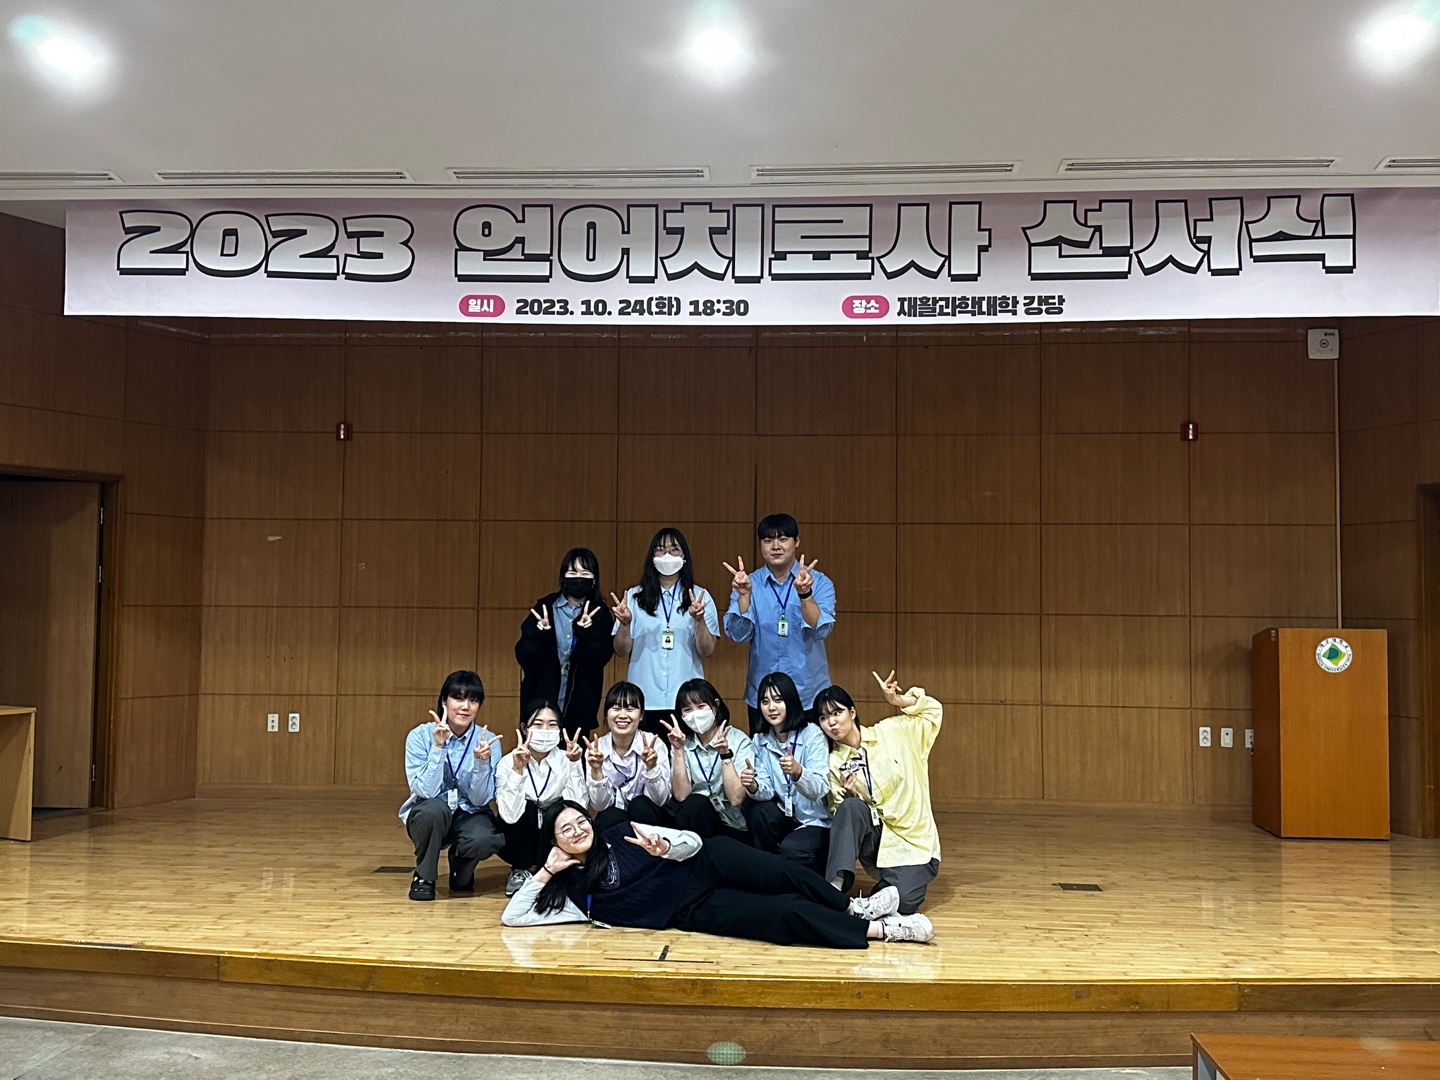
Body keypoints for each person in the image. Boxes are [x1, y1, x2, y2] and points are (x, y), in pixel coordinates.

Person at [501, 801, 934, 945]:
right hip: (691, 909)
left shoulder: (619, 832)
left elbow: (690, 840)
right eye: (566, 830)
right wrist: (545, 872)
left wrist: (666, 847)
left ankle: (853, 908)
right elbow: (513, 916)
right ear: (554, 841)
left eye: (581, 821)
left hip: (703, 861)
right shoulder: (572, 897)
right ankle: (885, 931)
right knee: (783, 914)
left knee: (781, 872)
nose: (578, 830)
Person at [820, 670, 943, 916]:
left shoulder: (893, 731)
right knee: (850, 807)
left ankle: (879, 896)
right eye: (823, 717)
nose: (831, 722)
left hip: (914, 842)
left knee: (906, 902)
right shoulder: (834, 762)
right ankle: (834, 887)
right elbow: (840, 815)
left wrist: (899, 701)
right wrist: (851, 794)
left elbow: (933, 712)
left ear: (852, 712)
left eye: (837, 713)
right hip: (877, 842)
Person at [723, 513, 836, 731]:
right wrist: (744, 596)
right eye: (768, 540)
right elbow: (738, 635)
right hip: (764, 697)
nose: (775, 546)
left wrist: (805, 594)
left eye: (783, 539)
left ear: (797, 542)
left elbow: (820, 630)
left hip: (808, 694)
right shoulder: (747, 583)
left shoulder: (820, 582)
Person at [399, 670, 504, 902]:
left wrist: (482, 763)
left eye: (473, 700)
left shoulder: (488, 741)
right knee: (432, 811)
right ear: (444, 701)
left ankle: (461, 866)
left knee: (486, 839)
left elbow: (480, 800)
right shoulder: (420, 736)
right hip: (432, 810)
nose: (465, 707)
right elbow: (426, 792)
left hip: (470, 811)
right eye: (458, 698)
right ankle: (424, 876)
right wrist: (438, 747)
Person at [609, 527, 719, 736]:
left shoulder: (700, 597)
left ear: (684, 556)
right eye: (660, 549)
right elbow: (621, 650)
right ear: (652, 556)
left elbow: (707, 650)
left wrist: (699, 621)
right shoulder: (634, 597)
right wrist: (624, 624)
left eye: (674, 549)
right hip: (644, 698)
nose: (667, 554)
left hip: (687, 701)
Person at [740, 671, 831, 874]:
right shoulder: (760, 740)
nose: (771, 707)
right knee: (758, 812)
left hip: (814, 821)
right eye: (765, 701)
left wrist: (799, 772)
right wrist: (753, 785)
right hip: (786, 816)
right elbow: (767, 792)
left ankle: (805, 874)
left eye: (778, 700)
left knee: (792, 849)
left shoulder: (812, 734)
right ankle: (768, 873)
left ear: (790, 701)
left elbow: (820, 788)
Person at [516, 548, 614, 735]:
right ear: (563, 577)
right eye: (573, 572)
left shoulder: (600, 614)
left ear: (594, 579)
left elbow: (601, 658)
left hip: (580, 705)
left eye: (585, 573)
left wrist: (587, 634)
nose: (579, 578)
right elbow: (523, 656)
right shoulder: (544, 608)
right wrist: (541, 636)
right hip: (539, 703)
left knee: (575, 752)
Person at [496, 699, 587, 896]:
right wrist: (517, 771)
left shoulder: (566, 759)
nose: (545, 730)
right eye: (538, 724)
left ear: (560, 730)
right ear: (524, 728)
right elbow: (509, 816)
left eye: (552, 724)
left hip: (552, 833)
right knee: (527, 807)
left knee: (560, 809)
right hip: (520, 833)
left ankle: (558, 867)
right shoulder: (507, 762)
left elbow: (578, 808)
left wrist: (574, 765)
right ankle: (519, 870)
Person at [661, 679, 753, 842]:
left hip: (733, 825)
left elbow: (736, 799)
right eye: (687, 710)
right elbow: (681, 796)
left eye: (701, 706)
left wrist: (725, 754)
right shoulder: (682, 743)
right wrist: (678, 751)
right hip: (697, 822)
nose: (695, 714)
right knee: (695, 804)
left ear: (716, 705)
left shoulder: (738, 740)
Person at [584, 681, 670, 829]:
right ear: (606, 714)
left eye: (630, 709)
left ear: (641, 715)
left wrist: (652, 768)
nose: (623, 715)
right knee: (608, 816)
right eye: (616, 708)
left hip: (648, 818)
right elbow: (599, 805)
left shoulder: (654, 744)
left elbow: (660, 800)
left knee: (640, 805)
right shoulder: (595, 750)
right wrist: (596, 771)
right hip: (614, 817)